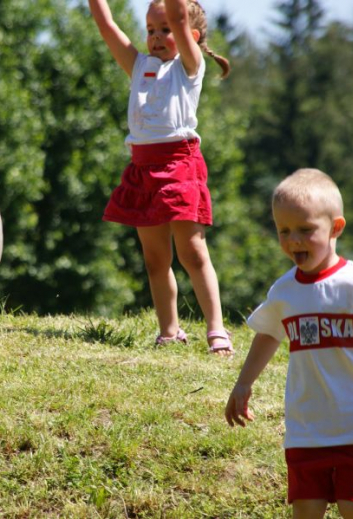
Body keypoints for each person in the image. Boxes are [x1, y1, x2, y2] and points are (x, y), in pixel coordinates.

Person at [225, 168, 353, 518]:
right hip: (306, 427)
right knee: (306, 512)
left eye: (305, 230)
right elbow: (268, 333)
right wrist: (243, 384)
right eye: (284, 231)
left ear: (336, 228)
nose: (294, 240)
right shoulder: (284, 291)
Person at [88, 0, 234, 355]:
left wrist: (174, 15)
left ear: (190, 36)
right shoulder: (138, 66)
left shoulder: (189, 67)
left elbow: (180, 16)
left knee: (193, 253)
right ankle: (169, 332)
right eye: (150, 30)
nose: (155, 37)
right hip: (143, 169)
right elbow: (107, 26)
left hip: (179, 164)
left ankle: (216, 331)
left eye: (165, 30)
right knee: (156, 259)